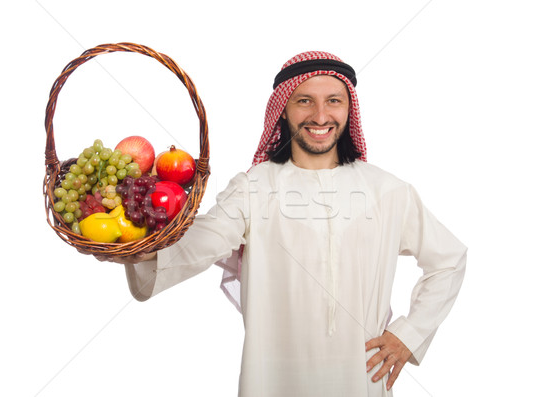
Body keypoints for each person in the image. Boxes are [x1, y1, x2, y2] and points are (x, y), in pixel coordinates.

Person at [112, 51, 467, 396]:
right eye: (304, 101)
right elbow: (204, 241)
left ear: (348, 109)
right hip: (272, 379)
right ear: (283, 110)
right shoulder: (254, 187)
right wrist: (138, 246)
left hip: (360, 379)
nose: (320, 115)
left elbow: (448, 259)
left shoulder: (387, 191)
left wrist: (409, 334)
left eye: (333, 101)